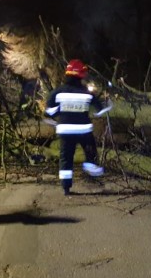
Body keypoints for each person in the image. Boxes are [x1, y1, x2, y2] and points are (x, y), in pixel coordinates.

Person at [45, 59, 112, 195]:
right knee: (90, 150)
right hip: (83, 130)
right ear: (81, 75)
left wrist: (59, 111)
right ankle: (90, 165)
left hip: (65, 130)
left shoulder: (58, 92)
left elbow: (49, 110)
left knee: (66, 158)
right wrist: (108, 104)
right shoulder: (86, 93)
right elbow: (100, 110)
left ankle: (66, 188)